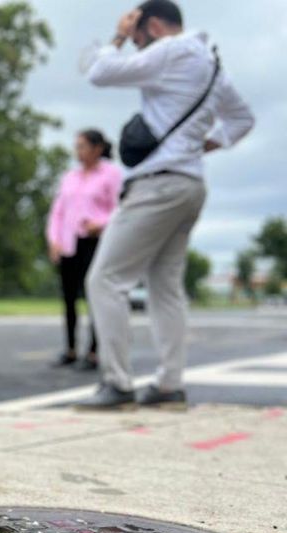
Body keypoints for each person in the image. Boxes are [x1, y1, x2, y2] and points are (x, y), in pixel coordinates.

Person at [77, 0, 254, 410]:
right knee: (165, 288)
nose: (138, 49)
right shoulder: (213, 66)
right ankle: (169, 385)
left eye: (139, 38)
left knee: (105, 279)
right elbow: (243, 119)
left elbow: (100, 72)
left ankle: (118, 384)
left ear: (153, 25)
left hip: (157, 185)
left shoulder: (170, 50)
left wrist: (119, 34)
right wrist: (204, 145)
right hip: (190, 183)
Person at [46, 129, 122, 371]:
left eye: (82, 146)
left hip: (95, 241)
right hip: (70, 241)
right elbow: (58, 211)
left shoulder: (111, 174)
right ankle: (69, 348)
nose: (78, 151)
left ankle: (93, 351)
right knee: (69, 297)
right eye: (76, 146)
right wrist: (54, 240)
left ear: (97, 148)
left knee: (94, 295)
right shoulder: (70, 176)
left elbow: (121, 209)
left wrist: (100, 224)